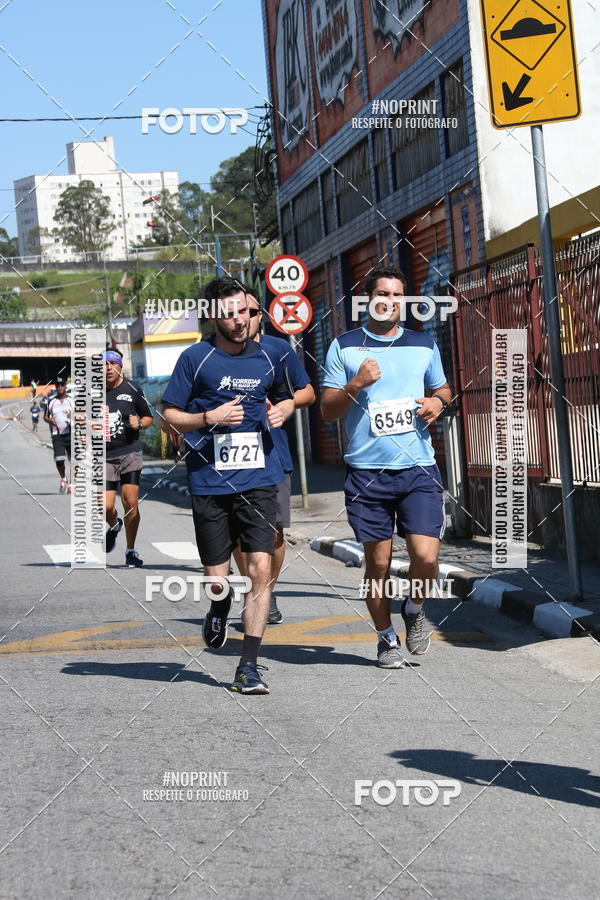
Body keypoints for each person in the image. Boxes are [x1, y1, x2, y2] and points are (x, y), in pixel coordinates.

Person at [162, 277, 295, 695]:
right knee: (218, 580)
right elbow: (168, 414)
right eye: (229, 314)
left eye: (243, 311)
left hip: (258, 480)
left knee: (259, 570)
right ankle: (219, 602)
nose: (238, 320)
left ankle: (248, 666)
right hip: (209, 483)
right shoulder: (195, 359)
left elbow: (289, 395)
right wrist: (207, 419)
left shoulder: (269, 356)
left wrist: (285, 409)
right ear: (214, 317)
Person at [321, 267, 451, 668]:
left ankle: (413, 608)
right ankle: (385, 639)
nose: (389, 301)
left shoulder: (423, 344)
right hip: (367, 472)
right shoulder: (344, 347)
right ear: (367, 299)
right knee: (376, 564)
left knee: (426, 558)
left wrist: (439, 403)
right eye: (382, 293)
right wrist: (355, 384)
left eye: (397, 295)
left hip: (418, 468)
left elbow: (442, 388)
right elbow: (328, 410)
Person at [232, 290, 315, 624]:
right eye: (236, 312)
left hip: (273, 455)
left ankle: (268, 589)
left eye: (250, 312)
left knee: (275, 532)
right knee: (239, 533)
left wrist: (287, 404)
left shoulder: (278, 349)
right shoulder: (211, 351)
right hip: (229, 460)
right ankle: (255, 588)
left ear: (261, 315)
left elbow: (307, 391)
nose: (243, 318)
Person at [103, 349, 154, 567]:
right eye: (103, 364)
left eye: (112, 364)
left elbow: (149, 417)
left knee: (130, 502)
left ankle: (130, 550)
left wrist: (139, 424)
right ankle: (115, 525)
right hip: (103, 457)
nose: (107, 368)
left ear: (119, 366)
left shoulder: (133, 389)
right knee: (104, 506)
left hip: (130, 453)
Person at [44, 378, 73, 493]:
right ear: (55, 387)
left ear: (65, 386)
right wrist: (50, 420)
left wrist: (73, 416)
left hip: (72, 433)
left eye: (62, 385)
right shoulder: (51, 402)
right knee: (59, 460)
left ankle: (72, 484)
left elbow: (82, 415)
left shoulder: (71, 401)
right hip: (57, 435)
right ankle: (63, 479)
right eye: (57, 385)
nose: (60, 387)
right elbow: (45, 416)